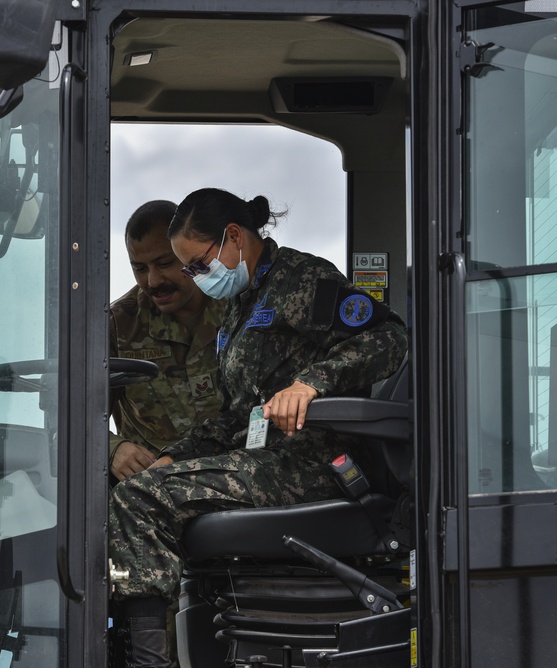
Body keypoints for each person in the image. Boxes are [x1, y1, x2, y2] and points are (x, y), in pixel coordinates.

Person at [107, 188, 409, 668]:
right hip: (266, 457)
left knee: (140, 499)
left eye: (197, 265)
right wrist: (177, 456)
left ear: (233, 237)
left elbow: (389, 338)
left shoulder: (300, 278)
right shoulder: (242, 302)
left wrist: (310, 384)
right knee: (144, 486)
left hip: (313, 462)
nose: (194, 279)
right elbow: (239, 415)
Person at [109, 200, 226, 483]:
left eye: (164, 263)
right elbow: (71, 415)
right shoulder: (118, 325)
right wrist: (112, 450)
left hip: (231, 477)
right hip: (149, 486)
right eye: (139, 268)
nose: (152, 280)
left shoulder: (238, 307)